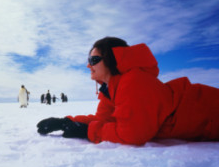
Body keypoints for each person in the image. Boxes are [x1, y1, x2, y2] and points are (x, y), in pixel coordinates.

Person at [37, 37, 219, 145]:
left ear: (111, 59)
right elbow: (104, 120)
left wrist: (86, 131)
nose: (88, 65)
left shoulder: (134, 81)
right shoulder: (113, 89)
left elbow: (132, 133)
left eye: (94, 60)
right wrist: (67, 122)